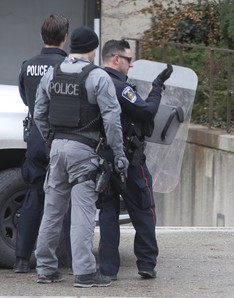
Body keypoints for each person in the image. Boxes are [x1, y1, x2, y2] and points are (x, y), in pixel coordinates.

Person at [33, 26, 129, 288]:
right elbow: (112, 119)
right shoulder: (98, 76)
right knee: (83, 215)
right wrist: (119, 154)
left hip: (57, 151)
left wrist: (52, 141)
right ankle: (85, 273)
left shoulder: (52, 73)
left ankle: (46, 269)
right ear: (94, 49)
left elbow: (39, 113)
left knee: (52, 212)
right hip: (84, 154)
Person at [97, 39, 172, 280]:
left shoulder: (94, 81)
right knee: (143, 209)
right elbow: (146, 111)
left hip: (102, 159)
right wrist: (157, 88)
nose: (132, 65)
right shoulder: (120, 87)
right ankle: (146, 263)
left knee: (107, 213)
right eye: (129, 59)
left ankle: (108, 269)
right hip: (128, 159)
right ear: (116, 59)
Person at [15, 14, 72, 273]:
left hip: (36, 138)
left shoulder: (27, 66)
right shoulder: (69, 66)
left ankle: (21, 259)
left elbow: (26, 99)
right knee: (68, 195)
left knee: (35, 196)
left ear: (42, 37)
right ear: (65, 37)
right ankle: (69, 259)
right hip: (62, 136)